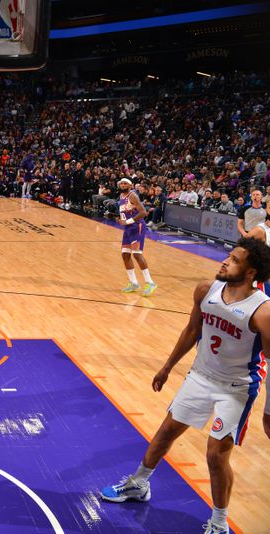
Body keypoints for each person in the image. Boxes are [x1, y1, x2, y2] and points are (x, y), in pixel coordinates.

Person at [100, 237, 270, 534]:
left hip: (237, 387)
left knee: (216, 454)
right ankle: (139, 484)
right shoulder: (207, 290)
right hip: (200, 376)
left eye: (233, 259)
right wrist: (167, 367)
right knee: (166, 431)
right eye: (227, 256)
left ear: (251, 272)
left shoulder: (263, 312)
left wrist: (269, 410)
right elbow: (192, 330)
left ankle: (219, 523)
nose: (224, 261)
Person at [117, 178, 157, 296]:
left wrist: (128, 221)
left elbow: (143, 212)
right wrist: (120, 219)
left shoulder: (132, 196)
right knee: (125, 254)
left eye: (125, 183)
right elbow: (127, 212)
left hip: (137, 226)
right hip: (128, 228)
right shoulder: (121, 196)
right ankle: (134, 283)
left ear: (130, 185)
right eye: (121, 183)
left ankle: (150, 283)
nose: (123, 185)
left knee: (137, 254)